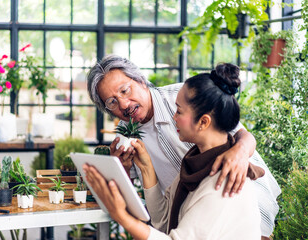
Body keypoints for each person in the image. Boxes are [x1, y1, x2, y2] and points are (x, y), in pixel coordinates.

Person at [87, 55, 280, 238]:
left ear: (141, 81)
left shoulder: (185, 97)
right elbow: (149, 206)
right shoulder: (126, 135)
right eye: (112, 102)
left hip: (233, 191)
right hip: (188, 210)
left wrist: (240, 152)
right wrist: (123, 169)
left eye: (124, 90)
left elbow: (238, 131)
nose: (123, 104)